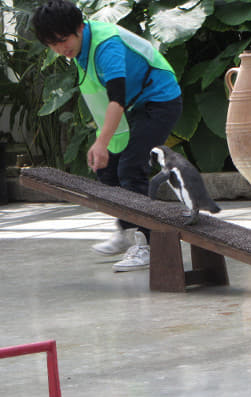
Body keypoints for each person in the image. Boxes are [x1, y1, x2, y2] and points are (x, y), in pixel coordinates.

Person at [32, 0, 182, 272]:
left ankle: (149, 244)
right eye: (52, 45)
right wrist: (104, 145)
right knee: (108, 169)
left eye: (63, 40)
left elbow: (117, 98)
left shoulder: (105, 45)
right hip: (136, 105)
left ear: (79, 27)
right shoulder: (78, 49)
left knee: (131, 167)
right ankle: (127, 232)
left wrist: (101, 142)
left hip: (160, 100)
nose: (60, 49)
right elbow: (101, 100)